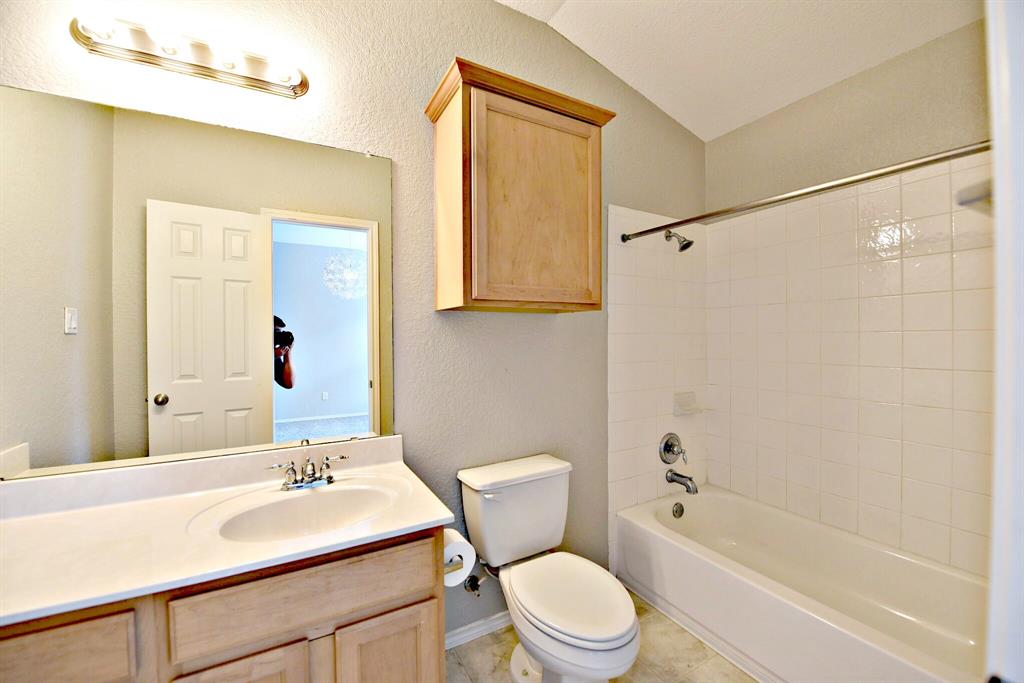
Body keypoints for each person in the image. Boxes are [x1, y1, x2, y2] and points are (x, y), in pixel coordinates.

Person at [274, 315, 294, 389]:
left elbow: (289, 383)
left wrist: (287, 352)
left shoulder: (275, 352)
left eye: (280, 332)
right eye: (275, 332)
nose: (278, 335)